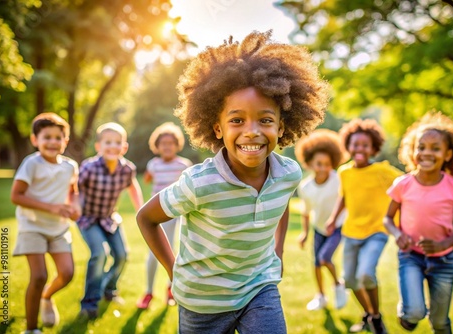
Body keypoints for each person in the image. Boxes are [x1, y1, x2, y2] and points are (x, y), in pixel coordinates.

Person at [137, 30, 329, 334]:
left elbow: (280, 205)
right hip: (202, 302)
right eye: (237, 120)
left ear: (281, 126)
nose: (251, 131)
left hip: (259, 289)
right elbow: (146, 218)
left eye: (265, 120)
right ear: (217, 128)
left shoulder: (288, 174)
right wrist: (174, 271)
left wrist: (277, 252)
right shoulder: (199, 183)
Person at [384, 112, 453, 333]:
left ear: (447, 154)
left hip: (444, 261)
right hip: (411, 256)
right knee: (415, 313)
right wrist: (398, 234)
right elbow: (388, 218)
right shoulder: (403, 184)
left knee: (439, 322)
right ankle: (408, 312)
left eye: (435, 148)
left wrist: (443, 244)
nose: (426, 153)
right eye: (421, 147)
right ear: (413, 150)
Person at [325, 118, 402, 334]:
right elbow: (344, 197)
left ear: (374, 148)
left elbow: (406, 185)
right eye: (355, 144)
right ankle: (370, 314)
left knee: (366, 274)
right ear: (348, 146)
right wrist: (333, 218)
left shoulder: (382, 171)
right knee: (349, 279)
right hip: (351, 232)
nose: (360, 149)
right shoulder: (344, 172)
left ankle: (375, 318)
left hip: (377, 231)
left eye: (365, 145)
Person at [11, 112, 80, 333]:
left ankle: (46, 297)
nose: (52, 142)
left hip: (59, 228)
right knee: (39, 275)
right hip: (32, 226)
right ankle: (31, 329)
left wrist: (74, 206)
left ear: (65, 141)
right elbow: (16, 196)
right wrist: (51, 207)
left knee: (67, 273)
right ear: (35, 140)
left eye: (57, 137)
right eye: (46, 137)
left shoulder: (70, 166)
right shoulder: (31, 163)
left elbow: (73, 190)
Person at [77, 122, 144, 319]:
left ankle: (109, 289)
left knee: (122, 255)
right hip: (88, 219)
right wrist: (74, 207)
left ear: (124, 147)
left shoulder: (127, 169)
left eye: (117, 143)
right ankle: (89, 304)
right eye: (108, 142)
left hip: (109, 218)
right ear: (98, 146)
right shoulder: (89, 167)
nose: (113, 146)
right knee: (99, 254)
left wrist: (141, 210)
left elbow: (133, 188)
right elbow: (76, 189)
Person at [136, 122, 193, 309]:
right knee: (156, 252)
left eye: (171, 143)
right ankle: (149, 292)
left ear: (177, 145)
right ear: (157, 146)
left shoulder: (183, 165)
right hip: (159, 214)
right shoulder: (153, 164)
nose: (167, 147)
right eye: (163, 143)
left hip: (179, 213)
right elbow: (148, 179)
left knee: (173, 249)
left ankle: (171, 288)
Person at [295, 129, 348, 311]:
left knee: (325, 258)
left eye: (327, 164)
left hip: (338, 226)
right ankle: (321, 296)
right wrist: (304, 233)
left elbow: (347, 199)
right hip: (318, 228)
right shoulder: (305, 187)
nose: (323, 168)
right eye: (319, 164)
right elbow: (306, 212)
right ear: (309, 163)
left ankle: (338, 285)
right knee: (316, 263)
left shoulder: (338, 179)